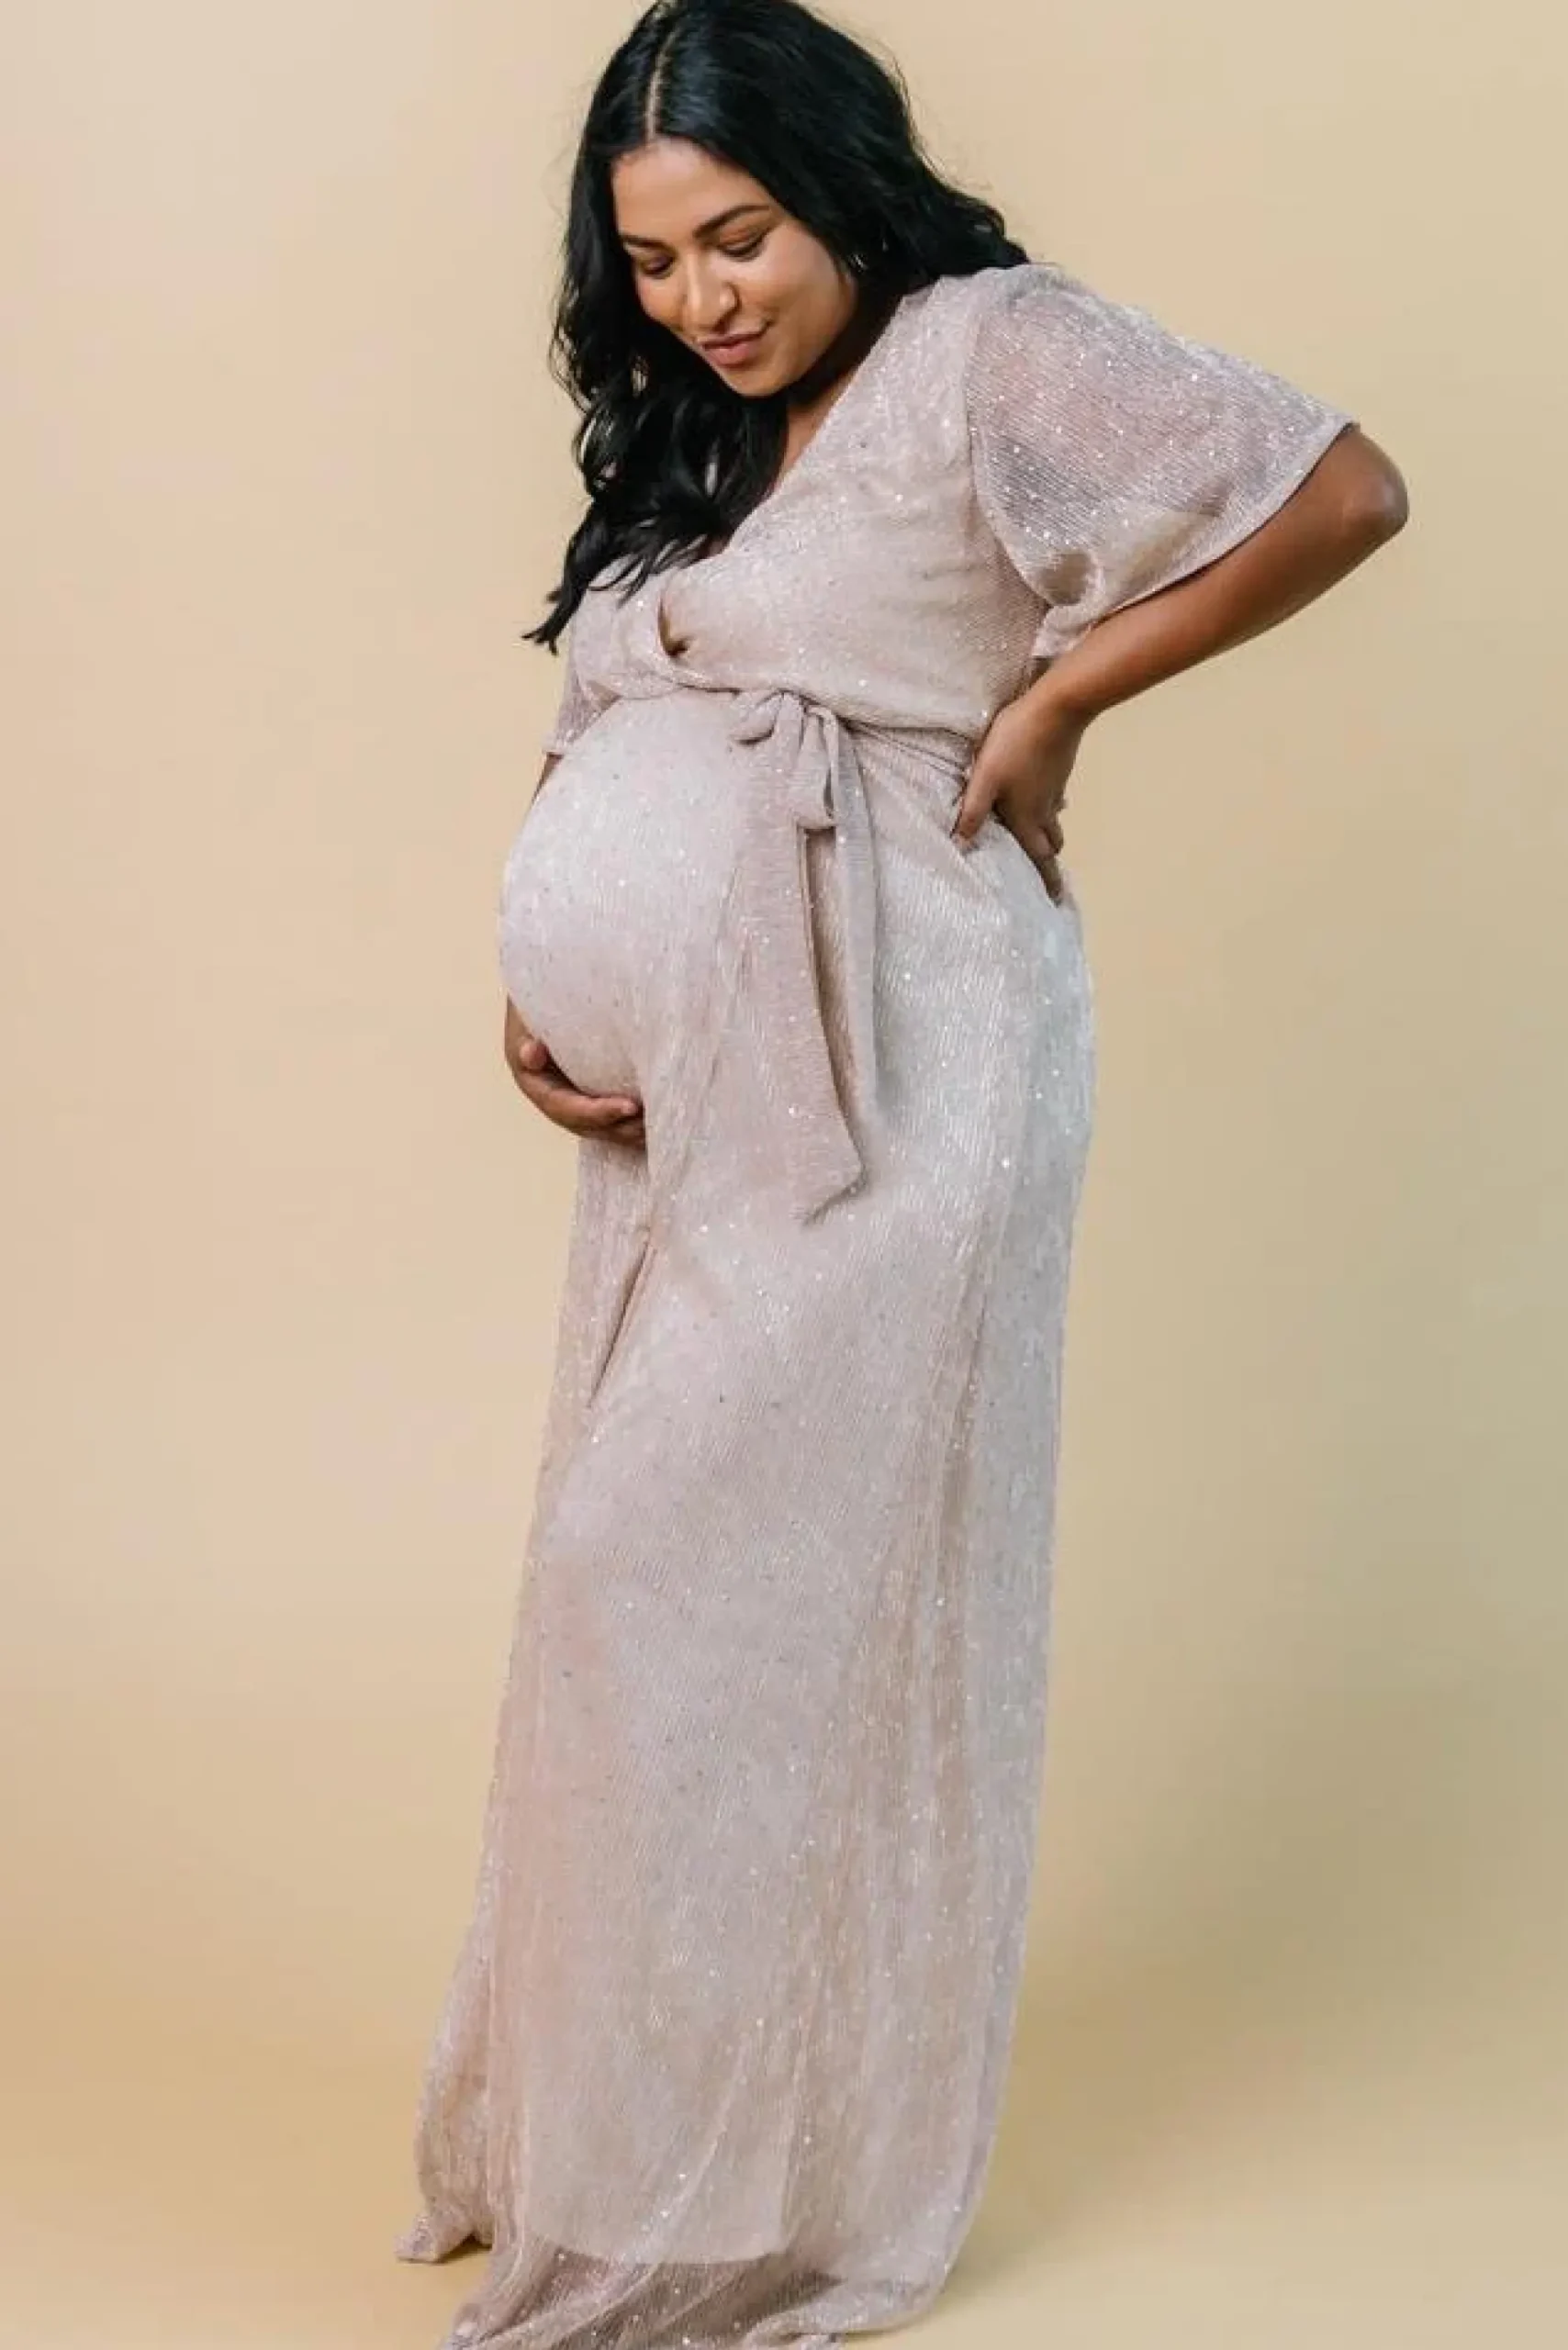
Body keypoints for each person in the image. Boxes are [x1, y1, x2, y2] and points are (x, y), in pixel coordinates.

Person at [395, 4, 1409, 2346]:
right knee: (632, 1608)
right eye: (653, 260)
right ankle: (613, 2158)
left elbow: (1343, 490)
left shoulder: (984, 349)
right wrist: (545, 966)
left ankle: (750, 2187)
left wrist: (1052, 698)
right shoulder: (703, 431)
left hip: (902, 1060)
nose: (701, 297)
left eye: (739, 236)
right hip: (698, 1088)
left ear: (841, 180)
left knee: (712, 1602)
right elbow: (619, 712)